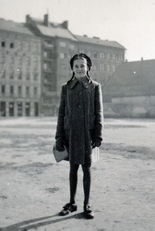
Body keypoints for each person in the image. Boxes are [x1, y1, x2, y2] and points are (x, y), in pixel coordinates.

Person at [55, 53, 103, 219]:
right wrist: (59, 137)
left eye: (82, 66)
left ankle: (86, 204)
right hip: (71, 134)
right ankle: (72, 202)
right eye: (76, 66)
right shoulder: (66, 88)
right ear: (72, 68)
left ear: (88, 67)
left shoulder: (95, 87)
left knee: (87, 168)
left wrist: (98, 135)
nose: (80, 69)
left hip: (88, 135)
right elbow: (61, 113)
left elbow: (98, 112)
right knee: (73, 168)